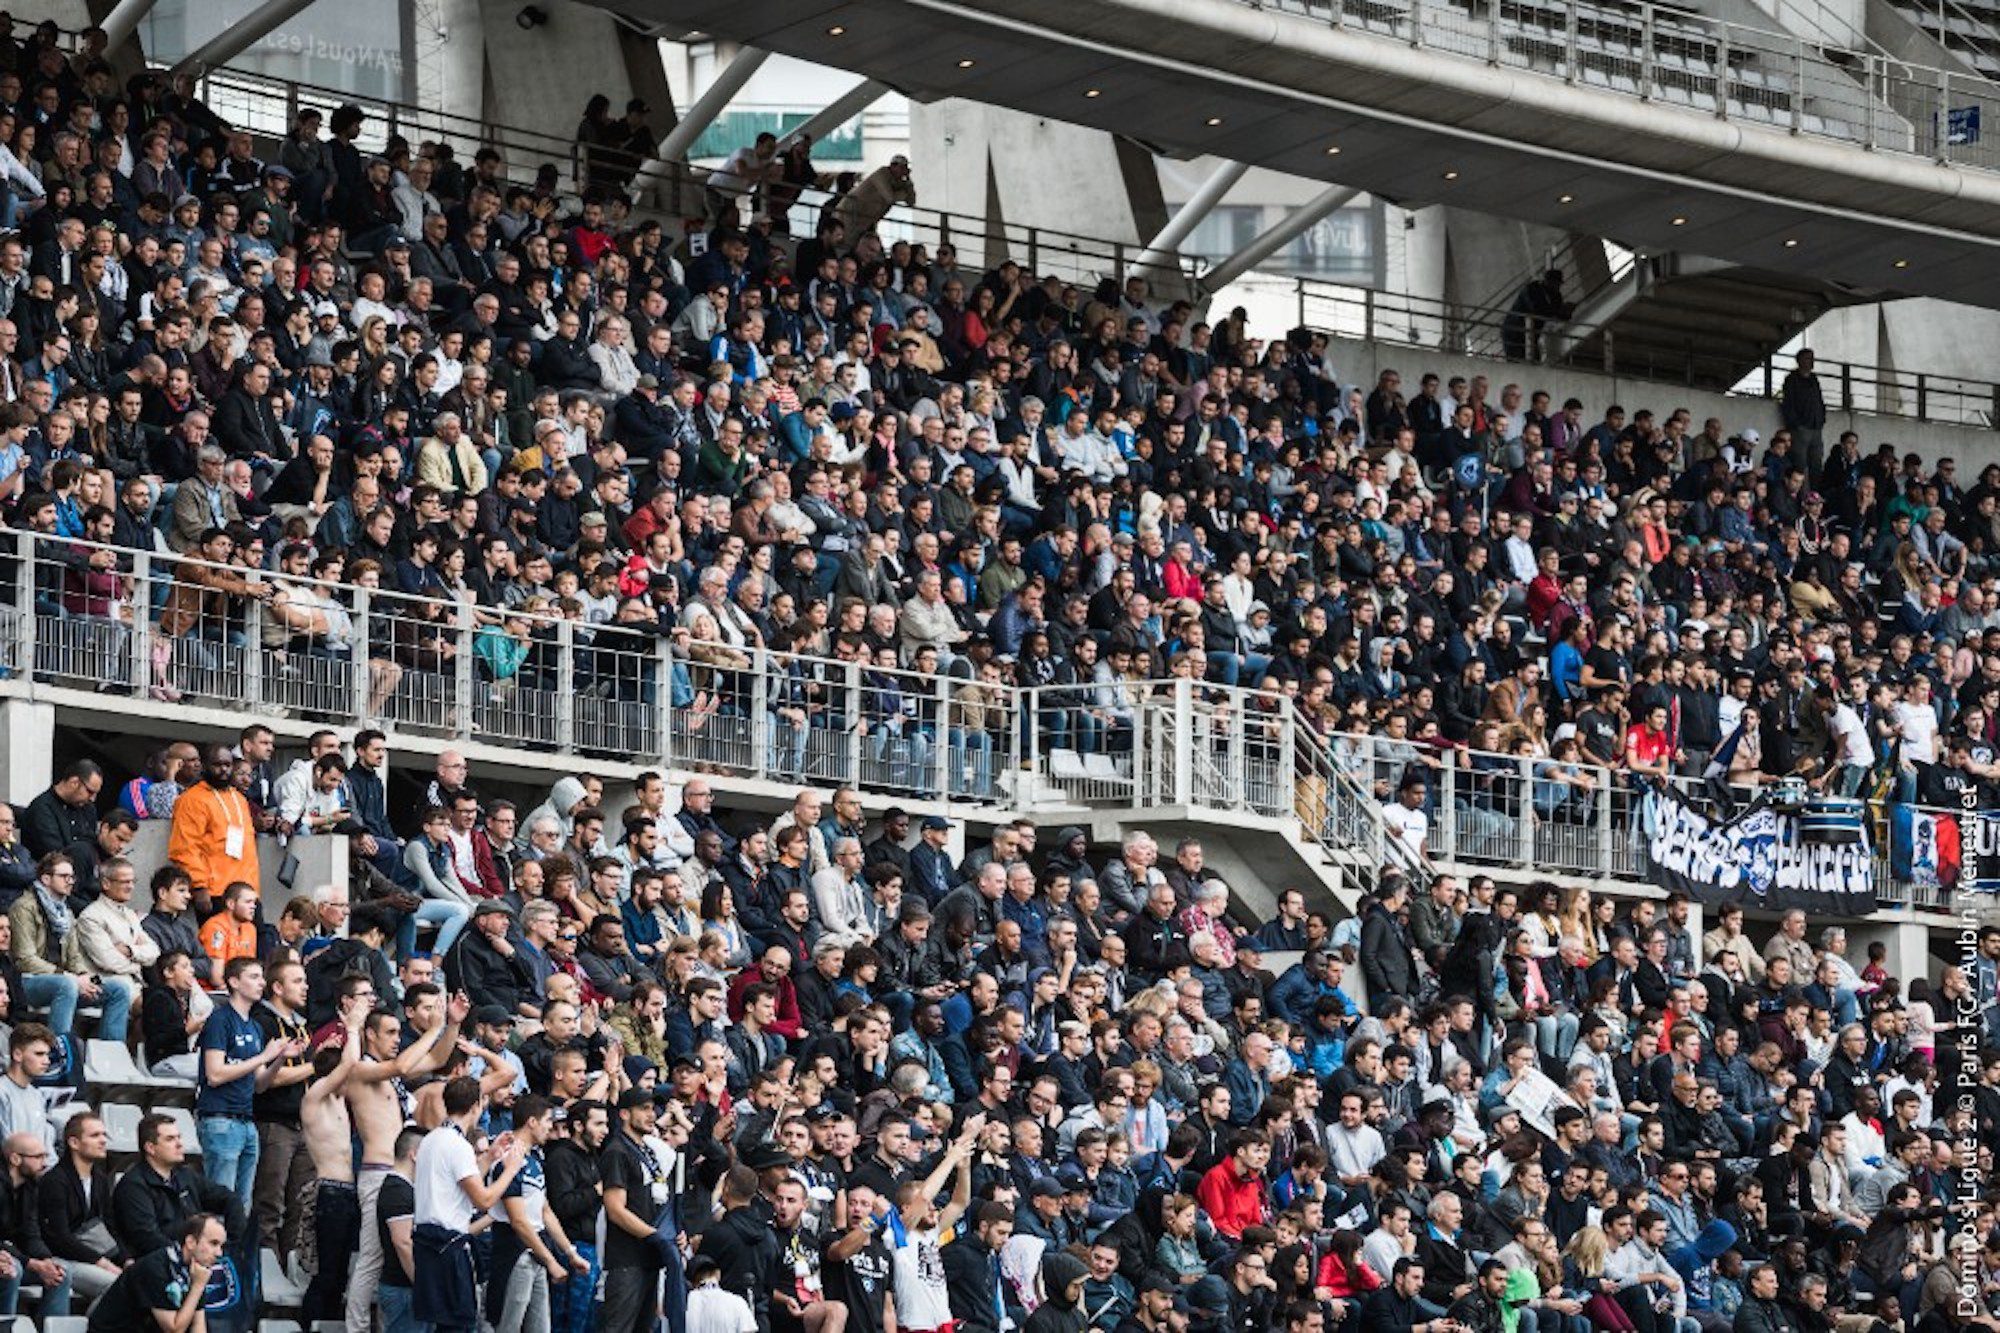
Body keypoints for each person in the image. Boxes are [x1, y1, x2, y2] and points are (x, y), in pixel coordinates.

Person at [415, 1075, 530, 1333]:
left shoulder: (432, 1139)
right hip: (448, 1244)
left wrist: (489, 1157)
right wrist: (510, 1169)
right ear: (478, 1105)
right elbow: (484, 1199)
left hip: (427, 1242)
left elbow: (458, 1182)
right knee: (459, 1325)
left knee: (442, 1325)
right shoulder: (458, 1145)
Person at [86, 1211, 227, 1333]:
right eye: (213, 1243)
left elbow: (198, 1325)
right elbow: (174, 1330)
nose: (219, 1253)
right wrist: (197, 1287)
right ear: (190, 1242)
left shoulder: (196, 1271)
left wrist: (198, 1286)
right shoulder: (156, 1268)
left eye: (221, 1246)